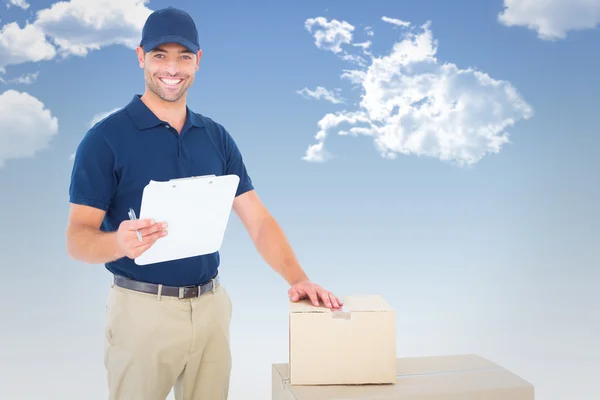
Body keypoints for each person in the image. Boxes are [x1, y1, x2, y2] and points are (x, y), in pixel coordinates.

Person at [65, 6, 342, 400]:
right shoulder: (105, 139)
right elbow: (77, 238)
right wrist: (117, 243)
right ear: (141, 56)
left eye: (184, 56)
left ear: (198, 62)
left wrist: (298, 278)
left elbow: (258, 221)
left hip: (211, 308)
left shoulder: (216, 137)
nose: (172, 68)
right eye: (160, 55)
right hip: (141, 312)